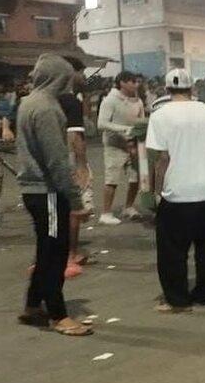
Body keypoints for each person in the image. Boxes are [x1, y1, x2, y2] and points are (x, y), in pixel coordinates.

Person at [147, 68, 205, 312]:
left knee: (172, 251)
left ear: (166, 89)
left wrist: (157, 191)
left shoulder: (160, 116)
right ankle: (204, 295)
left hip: (177, 194)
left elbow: (162, 158)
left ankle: (177, 299)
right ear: (193, 89)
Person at [16, 53, 92, 336]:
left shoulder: (28, 102)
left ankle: (32, 306)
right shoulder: (48, 108)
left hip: (34, 189)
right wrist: (75, 199)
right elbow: (57, 161)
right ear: (58, 78)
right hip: (47, 191)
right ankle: (59, 315)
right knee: (56, 255)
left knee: (45, 250)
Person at [57, 56, 93, 277]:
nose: (84, 77)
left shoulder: (46, 99)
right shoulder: (71, 101)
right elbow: (75, 137)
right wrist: (82, 167)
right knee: (73, 209)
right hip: (67, 159)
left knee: (53, 208)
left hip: (47, 160)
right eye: (81, 72)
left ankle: (53, 253)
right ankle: (70, 254)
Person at [97, 71, 145, 225]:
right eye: (133, 82)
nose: (136, 85)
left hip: (132, 144)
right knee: (112, 179)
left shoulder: (138, 101)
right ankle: (106, 213)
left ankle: (128, 207)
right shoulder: (110, 100)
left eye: (137, 82)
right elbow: (101, 123)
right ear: (122, 83)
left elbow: (141, 121)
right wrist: (124, 129)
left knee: (135, 178)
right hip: (114, 145)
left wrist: (137, 138)